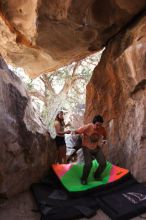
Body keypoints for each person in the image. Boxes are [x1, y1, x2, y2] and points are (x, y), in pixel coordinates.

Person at [74, 115, 107, 185]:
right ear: (93, 123)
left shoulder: (101, 129)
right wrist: (73, 132)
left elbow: (104, 134)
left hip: (96, 148)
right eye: (97, 125)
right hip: (86, 148)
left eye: (100, 125)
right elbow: (77, 131)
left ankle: (96, 175)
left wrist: (104, 139)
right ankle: (83, 178)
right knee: (88, 164)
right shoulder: (88, 127)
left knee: (103, 163)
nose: (98, 127)